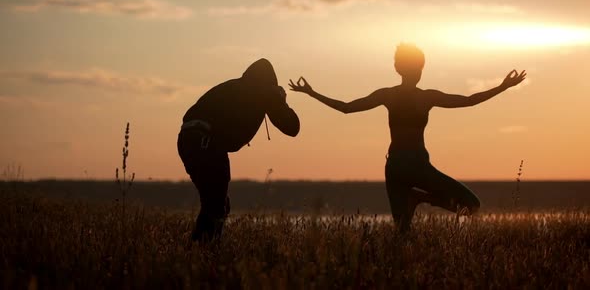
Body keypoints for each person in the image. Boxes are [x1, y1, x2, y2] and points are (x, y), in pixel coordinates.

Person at [289, 43, 526, 231]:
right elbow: (468, 101)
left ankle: (415, 199)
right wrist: (503, 86)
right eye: (417, 67)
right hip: (416, 166)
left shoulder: (389, 95)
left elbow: (345, 107)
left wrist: (310, 93)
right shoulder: (425, 97)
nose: (418, 72)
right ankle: (421, 198)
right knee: (472, 205)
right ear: (405, 69)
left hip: (394, 167)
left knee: (403, 236)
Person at [178, 58, 300, 242]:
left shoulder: (235, 86)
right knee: (216, 206)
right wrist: (281, 100)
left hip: (187, 140)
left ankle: (199, 252)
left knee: (216, 204)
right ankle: (202, 252)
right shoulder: (264, 92)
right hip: (206, 142)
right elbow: (292, 127)